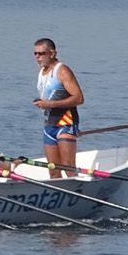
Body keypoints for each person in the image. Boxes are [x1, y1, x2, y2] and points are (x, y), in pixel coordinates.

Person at [32, 37, 83, 178]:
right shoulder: (41, 72)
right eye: (35, 53)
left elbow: (79, 98)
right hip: (49, 124)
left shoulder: (62, 71)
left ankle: (77, 193)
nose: (37, 57)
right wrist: (42, 103)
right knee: (53, 171)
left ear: (52, 54)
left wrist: (49, 104)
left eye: (41, 53)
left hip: (65, 123)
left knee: (68, 167)